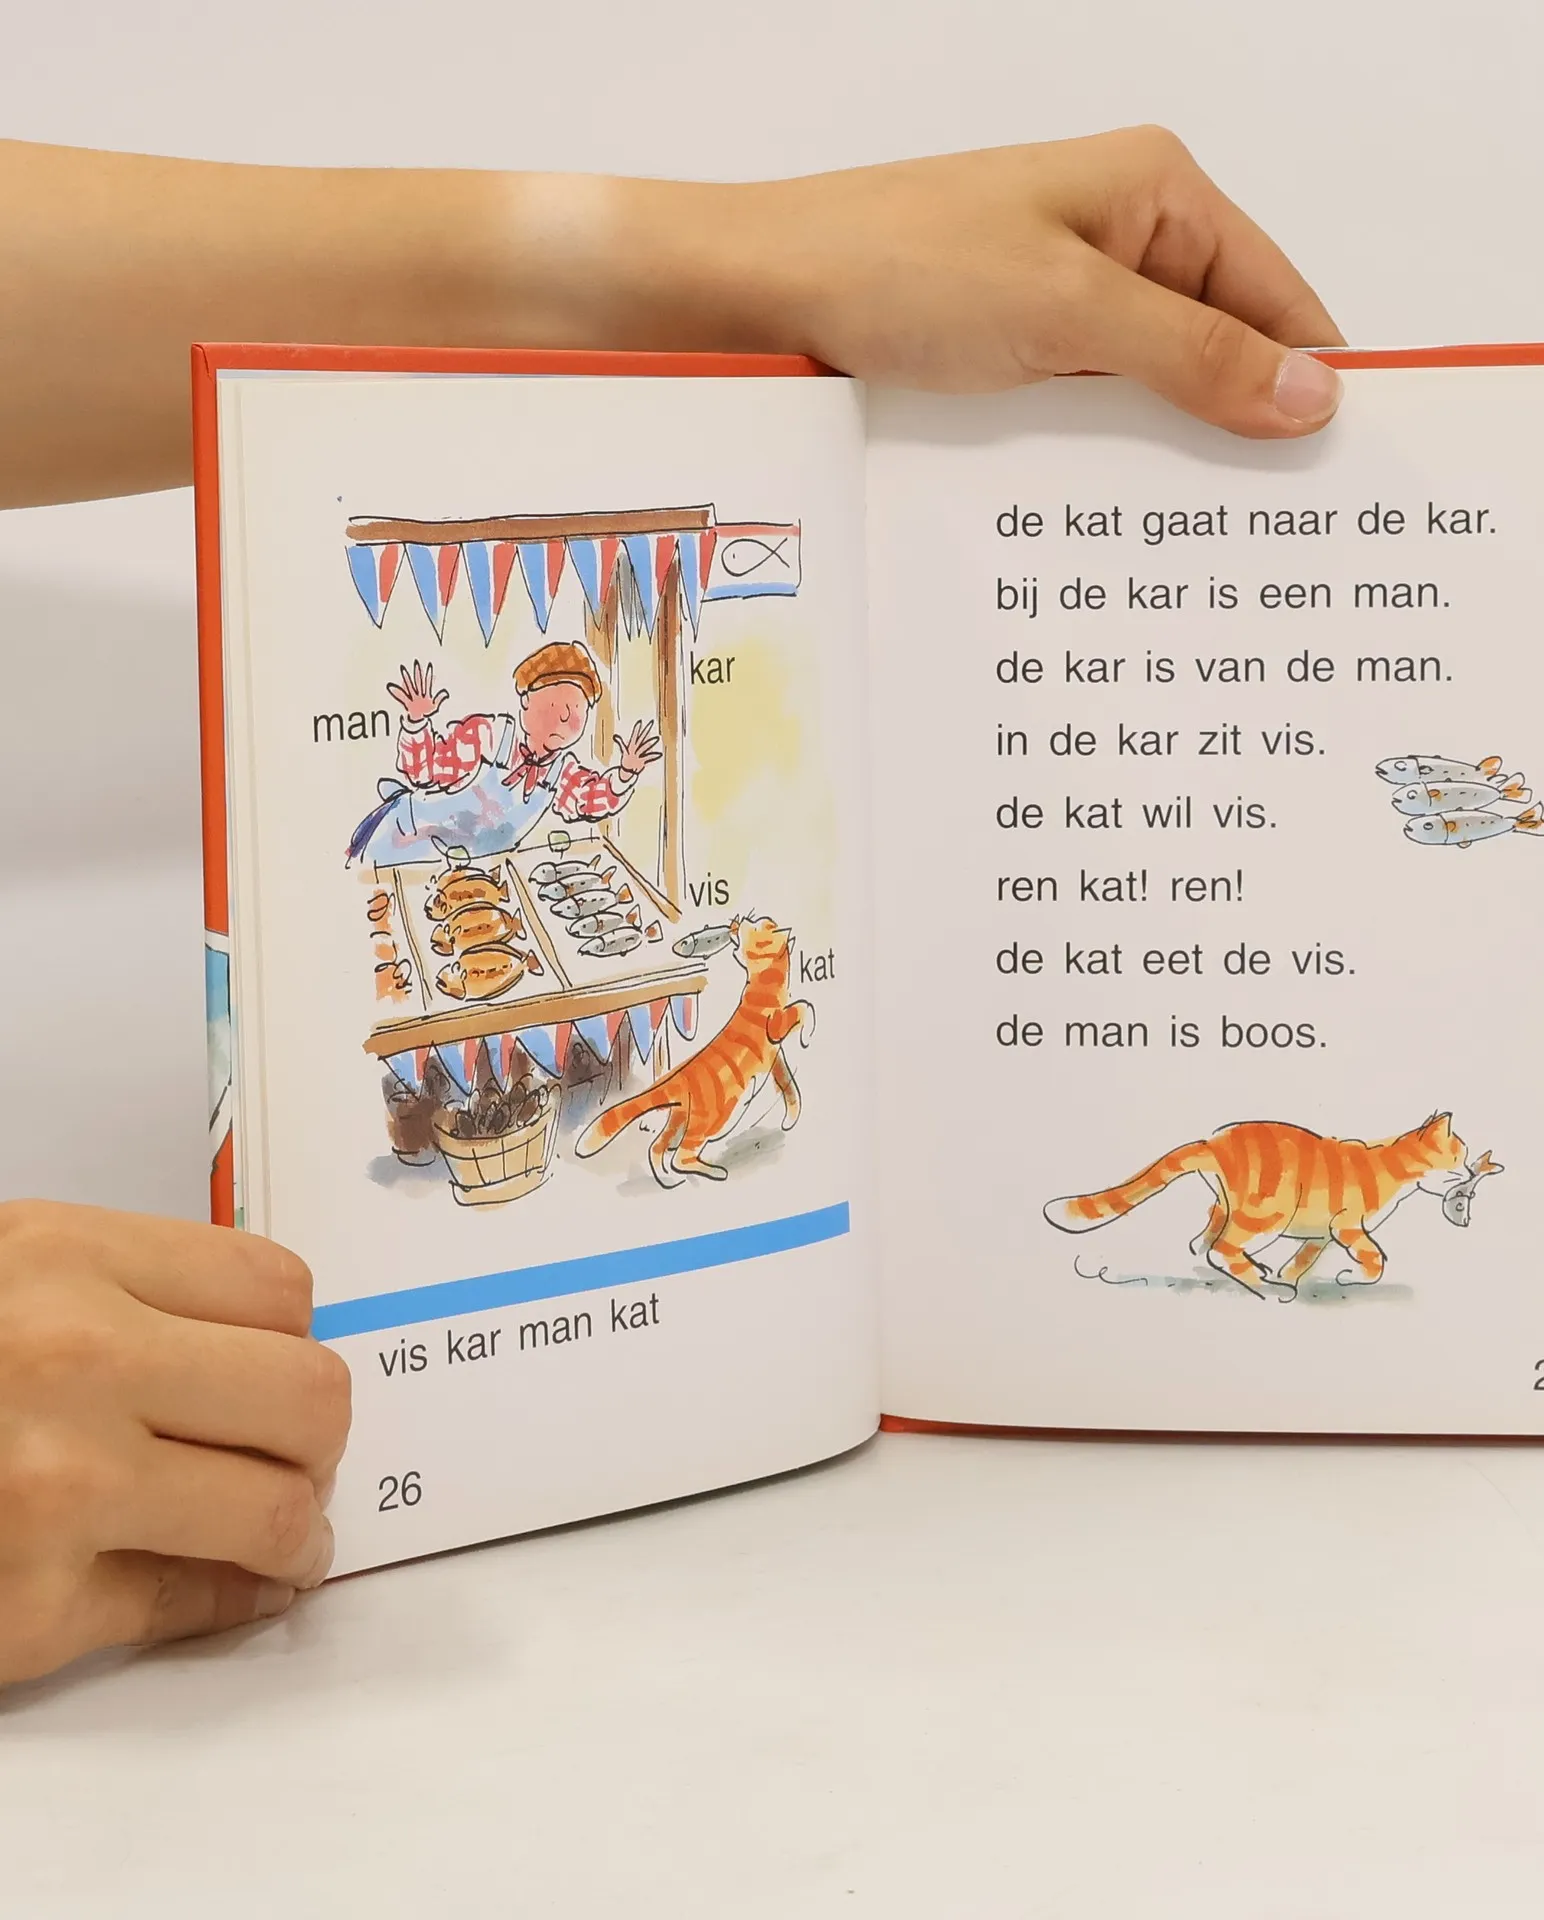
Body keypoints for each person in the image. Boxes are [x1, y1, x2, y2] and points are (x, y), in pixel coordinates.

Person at [0, 127, 1343, 1685]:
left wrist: (709, 258)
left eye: (571, 715)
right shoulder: (486, 749)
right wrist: (452, 763)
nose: (560, 725)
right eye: (554, 711)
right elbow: (452, 794)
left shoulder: (567, 764)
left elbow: (566, 805)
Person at [347, 645, 662, 866]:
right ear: (526, 701)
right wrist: (417, 723)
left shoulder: (561, 772)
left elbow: (590, 799)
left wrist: (625, 774)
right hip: (405, 843)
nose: (567, 717)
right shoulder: (488, 736)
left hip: (467, 872)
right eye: (556, 705)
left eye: (578, 708)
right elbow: (425, 770)